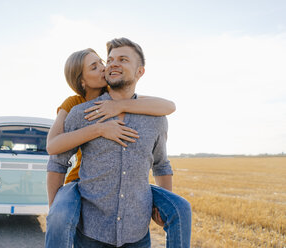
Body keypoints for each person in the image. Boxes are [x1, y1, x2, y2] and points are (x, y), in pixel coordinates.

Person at [46, 39, 191, 248]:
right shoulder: (79, 111)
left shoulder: (156, 117)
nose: (110, 64)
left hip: (137, 235)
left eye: (122, 59)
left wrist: (160, 206)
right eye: (110, 59)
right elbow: (56, 159)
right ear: (83, 81)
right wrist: (55, 210)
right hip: (90, 234)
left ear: (140, 71)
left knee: (182, 208)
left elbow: (161, 164)